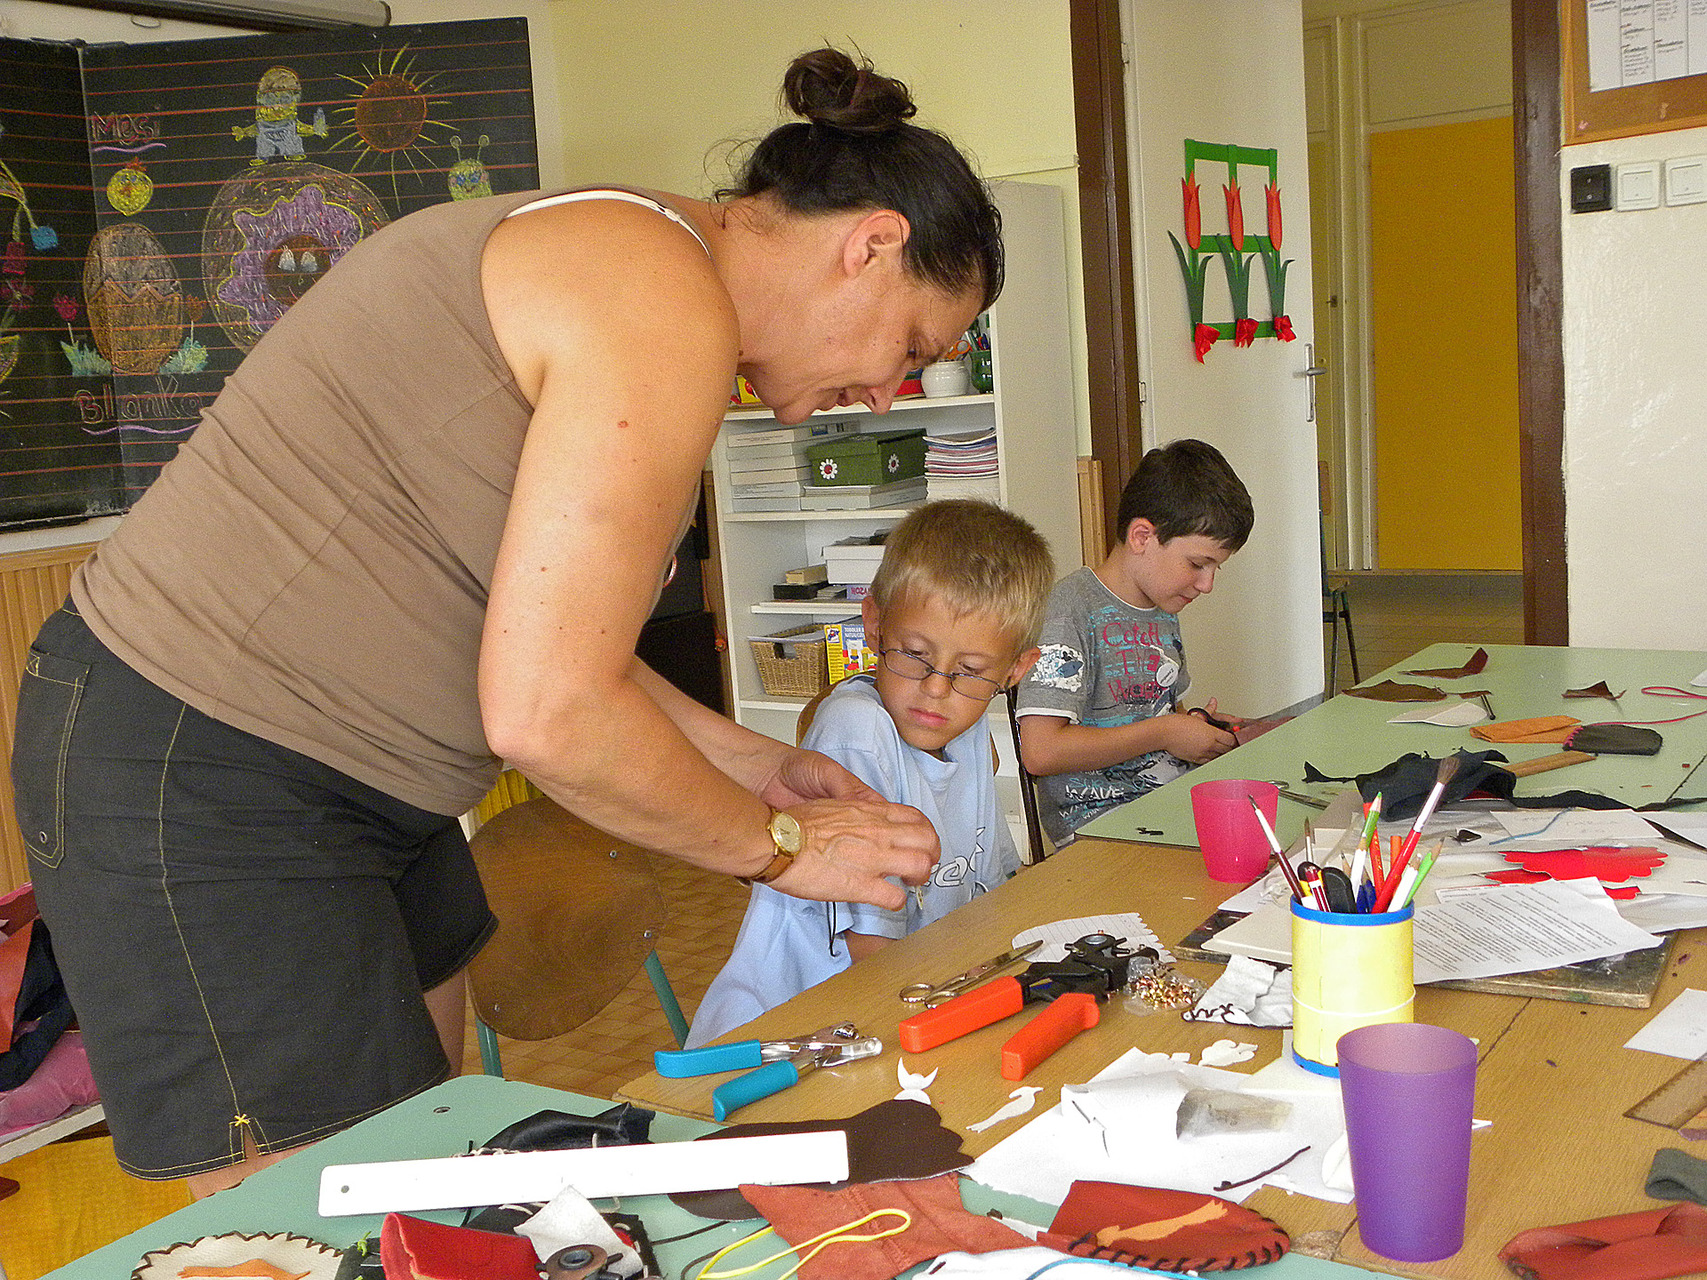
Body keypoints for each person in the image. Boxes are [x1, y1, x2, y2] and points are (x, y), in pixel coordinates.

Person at [7, 47, 1003, 1195]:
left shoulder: (651, 263)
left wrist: (760, 768)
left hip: (361, 781)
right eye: (912, 346)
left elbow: (559, 643)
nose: (886, 391)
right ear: (870, 243)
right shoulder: (661, 293)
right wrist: (779, 845)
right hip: (205, 765)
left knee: (421, 1171)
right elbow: (547, 714)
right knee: (320, 1221)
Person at [687, 500, 1053, 1047]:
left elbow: (991, 888)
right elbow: (872, 955)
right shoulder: (857, 731)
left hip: (894, 1006)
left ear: (1014, 670)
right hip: (787, 1030)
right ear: (875, 624)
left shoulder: (969, 724)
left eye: (970, 671)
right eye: (915, 655)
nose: (937, 689)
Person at [1016, 439, 1254, 846]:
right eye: (1198, 564)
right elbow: (1041, 751)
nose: (1207, 584)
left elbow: (1161, 712)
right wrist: (1165, 732)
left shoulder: (1163, 607)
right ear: (1142, 536)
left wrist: (1194, 728)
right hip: (1097, 824)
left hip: (1166, 802)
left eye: (1216, 568)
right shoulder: (1069, 610)